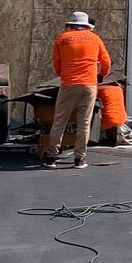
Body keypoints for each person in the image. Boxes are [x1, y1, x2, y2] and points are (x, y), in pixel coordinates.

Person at [40, 11, 111, 169]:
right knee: (84, 124)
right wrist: (101, 76)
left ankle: (51, 157)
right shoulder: (95, 38)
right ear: (86, 25)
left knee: (59, 122)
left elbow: (57, 64)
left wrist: (64, 75)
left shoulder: (62, 38)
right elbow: (106, 62)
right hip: (89, 86)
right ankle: (79, 159)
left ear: (70, 24)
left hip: (68, 85)